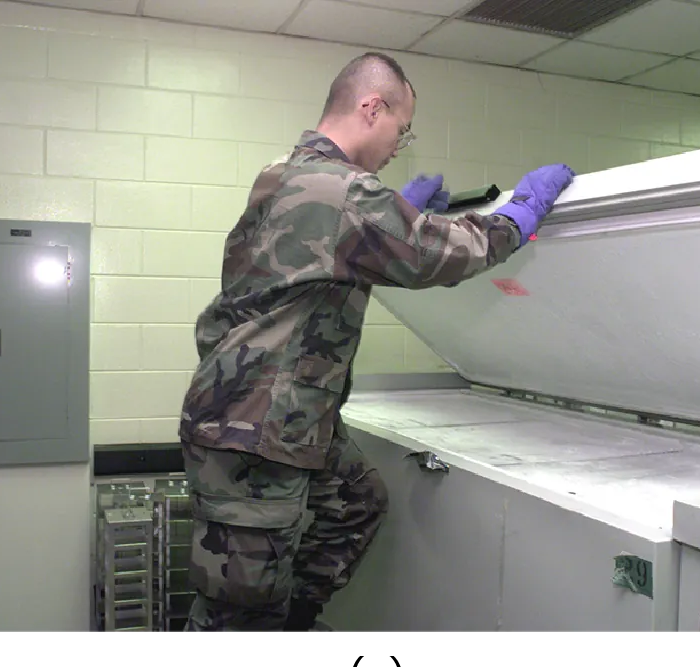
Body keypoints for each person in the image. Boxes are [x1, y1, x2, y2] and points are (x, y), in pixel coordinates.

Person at [176, 51, 576, 631]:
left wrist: (398, 215)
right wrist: (518, 214)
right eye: (402, 128)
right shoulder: (344, 193)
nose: (399, 144)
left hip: (278, 416)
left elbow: (306, 265)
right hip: (254, 431)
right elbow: (439, 255)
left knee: (355, 502)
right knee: (233, 619)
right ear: (372, 107)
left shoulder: (282, 173)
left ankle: (288, 627)